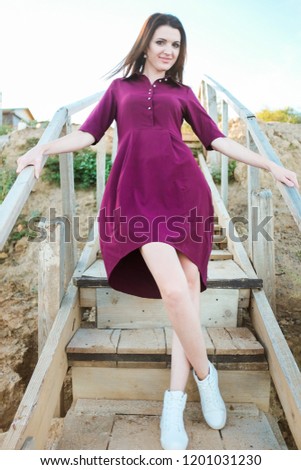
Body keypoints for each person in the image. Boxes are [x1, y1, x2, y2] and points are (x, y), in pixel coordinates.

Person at [16, 13, 299, 450]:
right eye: (162, 42)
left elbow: (217, 139)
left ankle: (173, 400)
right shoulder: (119, 89)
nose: (169, 51)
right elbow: (88, 134)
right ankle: (207, 377)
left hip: (185, 195)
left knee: (186, 288)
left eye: (176, 45)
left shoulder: (183, 94)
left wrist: (269, 164)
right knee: (173, 291)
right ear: (146, 43)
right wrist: (42, 147)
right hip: (136, 199)